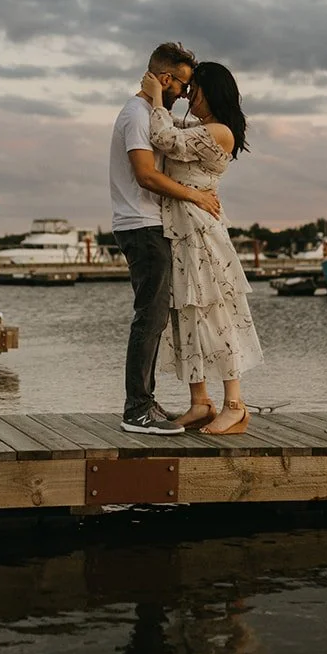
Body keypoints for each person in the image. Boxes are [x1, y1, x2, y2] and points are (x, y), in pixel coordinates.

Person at [141, 61, 260, 435]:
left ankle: (235, 406)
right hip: (181, 230)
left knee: (215, 315)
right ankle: (200, 402)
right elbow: (169, 129)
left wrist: (158, 95)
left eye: (196, 89)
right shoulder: (200, 127)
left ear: (214, 91)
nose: (189, 94)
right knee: (186, 316)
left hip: (201, 234)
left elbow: (164, 138)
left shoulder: (220, 132)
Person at [111, 42, 222, 435]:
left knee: (154, 318)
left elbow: (194, 140)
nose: (185, 94)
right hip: (141, 225)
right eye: (182, 85)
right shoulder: (137, 115)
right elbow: (145, 174)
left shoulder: (152, 115)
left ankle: (145, 402)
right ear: (164, 79)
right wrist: (196, 196)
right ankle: (136, 410)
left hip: (151, 224)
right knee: (149, 318)